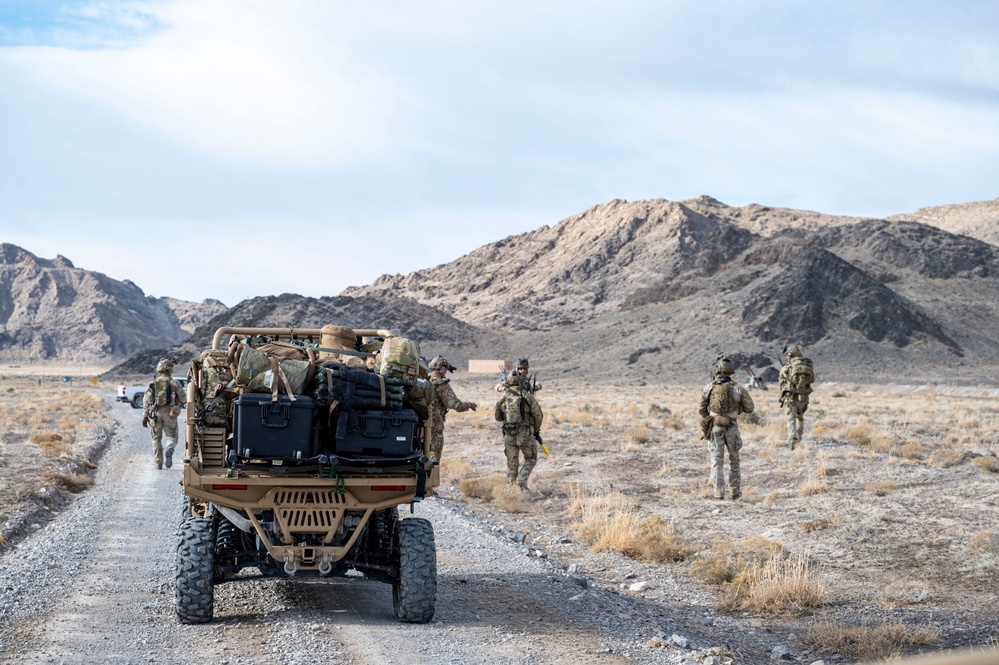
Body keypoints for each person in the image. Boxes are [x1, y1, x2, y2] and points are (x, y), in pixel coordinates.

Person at [699, 356, 755, 500]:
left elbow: (701, 409)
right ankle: (735, 493)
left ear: (718, 369)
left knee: (717, 461)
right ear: (731, 371)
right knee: (734, 460)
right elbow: (750, 408)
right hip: (732, 428)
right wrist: (737, 410)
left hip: (716, 428)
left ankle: (718, 493)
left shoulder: (709, 387)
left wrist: (712, 417)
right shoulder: (738, 388)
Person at [494, 369, 544, 491]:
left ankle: (511, 490)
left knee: (512, 463)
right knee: (531, 458)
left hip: (509, 434)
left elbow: (497, 416)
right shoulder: (528, 396)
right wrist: (536, 431)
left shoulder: (503, 397)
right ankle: (521, 480)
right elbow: (539, 416)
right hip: (525, 434)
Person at [427, 355, 477, 463]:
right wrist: (469, 405)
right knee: (433, 458)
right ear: (442, 369)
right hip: (435, 426)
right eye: (445, 370)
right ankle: (431, 478)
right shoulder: (441, 385)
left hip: (422, 426)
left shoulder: (424, 381)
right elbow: (456, 405)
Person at [142, 358, 187, 470]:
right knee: (171, 436)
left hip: (154, 414)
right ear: (169, 370)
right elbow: (183, 399)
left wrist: (145, 415)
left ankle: (158, 463)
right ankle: (169, 448)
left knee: (156, 439)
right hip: (170, 414)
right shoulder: (174, 383)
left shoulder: (153, 383)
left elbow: (146, 400)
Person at [778, 344, 815, 450]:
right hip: (803, 397)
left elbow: (781, 382)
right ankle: (800, 438)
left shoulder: (787, 367)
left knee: (791, 418)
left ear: (789, 355)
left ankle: (792, 439)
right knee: (800, 417)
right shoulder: (807, 366)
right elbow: (812, 380)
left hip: (790, 396)